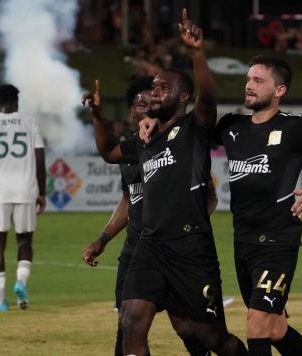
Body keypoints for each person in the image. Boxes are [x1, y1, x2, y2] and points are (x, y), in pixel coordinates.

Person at [142, 55, 302, 355]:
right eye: (248, 80)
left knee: (256, 325)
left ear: (279, 90)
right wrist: (155, 121)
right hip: (243, 243)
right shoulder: (231, 126)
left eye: (258, 81)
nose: (249, 86)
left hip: (278, 242)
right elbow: (190, 128)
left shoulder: (296, 127)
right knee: (275, 328)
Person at [84, 9, 247, 356]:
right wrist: (98, 118)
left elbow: (209, 98)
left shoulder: (194, 129)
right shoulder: (145, 138)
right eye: (153, 86)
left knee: (208, 336)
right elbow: (110, 153)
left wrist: (196, 53)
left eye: (163, 87)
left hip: (190, 247)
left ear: (183, 97)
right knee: (131, 322)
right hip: (149, 245)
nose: (154, 92)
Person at [82, 76, 216, 356]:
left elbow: (208, 196)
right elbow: (130, 199)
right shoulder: (133, 149)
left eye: (152, 100)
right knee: (127, 324)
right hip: (137, 249)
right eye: (140, 103)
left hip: (176, 246)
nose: (147, 106)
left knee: (187, 328)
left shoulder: (177, 142)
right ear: (132, 112)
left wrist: (187, 225)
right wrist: (103, 239)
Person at [0, 84, 46, 312]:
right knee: (24, 241)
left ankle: (0, 300)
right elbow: (41, 160)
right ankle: (21, 283)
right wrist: (42, 192)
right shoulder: (30, 122)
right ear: (17, 101)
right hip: (26, 190)